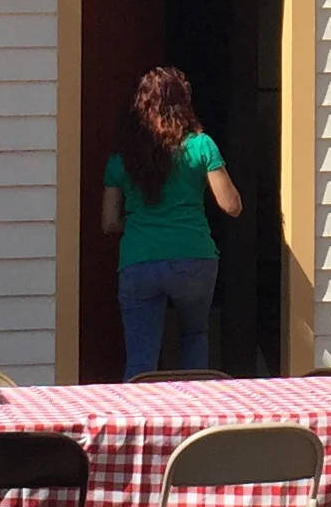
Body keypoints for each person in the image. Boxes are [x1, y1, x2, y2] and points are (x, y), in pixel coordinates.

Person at [101, 65, 241, 379]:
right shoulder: (201, 145)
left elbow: (109, 222)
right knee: (194, 336)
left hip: (139, 259)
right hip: (193, 257)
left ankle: (136, 424)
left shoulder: (121, 158)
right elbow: (231, 206)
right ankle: (196, 418)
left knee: (140, 361)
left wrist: (144, 223)